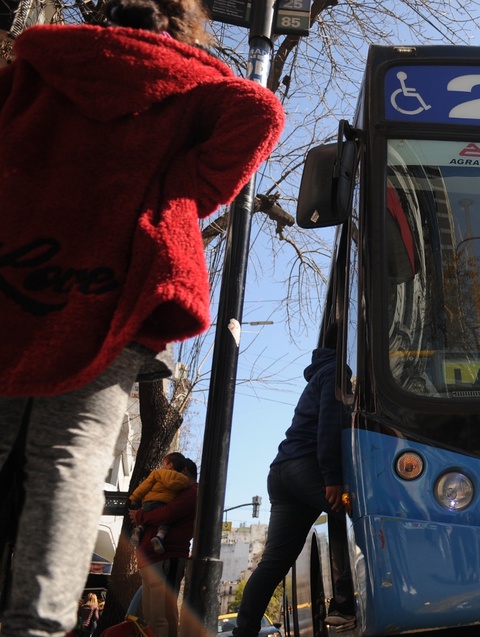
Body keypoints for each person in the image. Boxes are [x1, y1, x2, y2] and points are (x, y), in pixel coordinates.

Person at [0, 0, 284, 632]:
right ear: (180, 27)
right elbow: (260, 110)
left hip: (17, 276)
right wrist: (181, 187)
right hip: (114, 296)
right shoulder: (189, 89)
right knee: (67, 461)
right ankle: (37, 625)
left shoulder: (39, 67)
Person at [231, 346, 355, 637]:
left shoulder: (318, 375)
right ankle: (344, 605)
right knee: (352, 515)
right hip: (307, 466)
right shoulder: (338, 372)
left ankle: (244, 632)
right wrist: (333, 478)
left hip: (282, 472)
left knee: (274, 561)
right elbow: (329, 425)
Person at [130, 457, 198, 637]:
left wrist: (140, 516)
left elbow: (167, 514)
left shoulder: (192, 492)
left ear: (183, 473)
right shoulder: (176, 492)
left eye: (171, 470)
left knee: (162, 617)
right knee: (152, 617)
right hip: (151, 560)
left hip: (166, 558)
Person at [128, 452, 191, 553]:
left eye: (164, 464)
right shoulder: (184, 481)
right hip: (163, 504)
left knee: (144, 517)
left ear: (170, 465)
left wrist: (135, 497)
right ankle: (159, 537)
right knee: (164, 523)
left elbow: (145, 486)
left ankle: (139, 528)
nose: (163, 466)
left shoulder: (157, 473)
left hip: (148, 502)